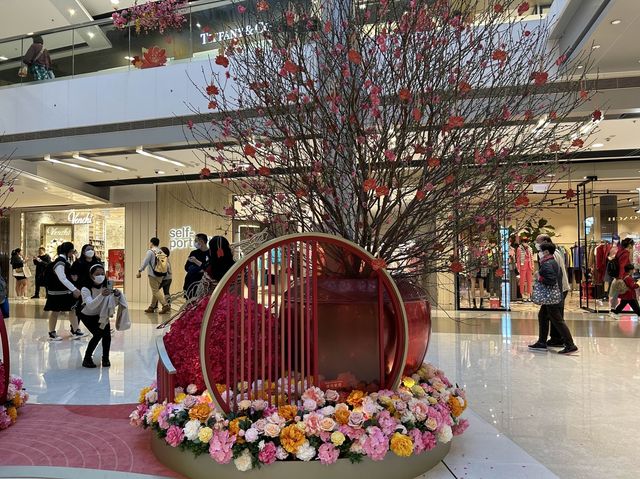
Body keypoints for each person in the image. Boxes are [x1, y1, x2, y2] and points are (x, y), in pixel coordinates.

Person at [528, 243, 578, 355]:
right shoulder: (553, 262)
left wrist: (538, 277)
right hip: (553, 296)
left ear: (546, 252)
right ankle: (541, 342)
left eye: (540, 251)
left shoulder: (547, 264)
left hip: (550, 297)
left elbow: (551, 280)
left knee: (558, 320)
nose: (539, 253)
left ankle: (570, 344)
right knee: (543, 316)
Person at [78, 264, 128, 368]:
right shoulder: (85, 288)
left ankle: (105, 358)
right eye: (97, 274)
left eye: (102, 274)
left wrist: (117, 295)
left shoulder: (106, 286)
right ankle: (87, 358)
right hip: (87, 314)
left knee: (106, 336)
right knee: (98, 334)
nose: (100, 276)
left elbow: (111, 303)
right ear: (91, 276)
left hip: (101, 314)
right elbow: (91, 305)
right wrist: (102, 295)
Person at [44, 242, 86, 341]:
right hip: (57, 293)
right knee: (55, 311)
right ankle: (52, 333)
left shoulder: (62, 261)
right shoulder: (60, 262)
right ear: (69, 251)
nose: (72, 253)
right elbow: (62, 278)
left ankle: (76, 330)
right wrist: (74, 289)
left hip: (63, 292)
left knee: (71, 310)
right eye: (72, 251)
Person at [535, 234, 571, 347]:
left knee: (555, 318)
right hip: (557, 290)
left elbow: (552, 277)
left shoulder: (552, 256)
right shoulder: (554, 254)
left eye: (538, 242)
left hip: (556, 291)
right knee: (548, 316)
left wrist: (539, 277)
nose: (536, 244)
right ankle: (554, 339)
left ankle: (566, 342)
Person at [136, 237, 170, 314]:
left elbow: (145, 262)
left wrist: (140, 270)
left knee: (155, 291)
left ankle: (165, 305)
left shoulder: (150, 252)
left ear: (151, 243)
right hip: (161, 274)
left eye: (150, 242)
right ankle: (152, 307)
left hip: (153, 274)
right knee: (156, 291)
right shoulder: (160, 251)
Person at [610, 237, 634, 312]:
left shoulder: (620, 251)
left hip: (618, 275)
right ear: (629, 245)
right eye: (632, 244)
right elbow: (623, 265)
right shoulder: (626, 253)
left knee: (616, 294)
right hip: (621, 276)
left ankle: (614, 311)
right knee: (618, 294)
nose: (632, 246)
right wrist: (622, 277)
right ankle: (613, 311)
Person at [183, 233, 210, 298]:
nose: (194, 242)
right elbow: (186, 267)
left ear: (202, 241)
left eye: (196, 240)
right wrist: (199, 269)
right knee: (189, 302)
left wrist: (196, 262)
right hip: (190, 282)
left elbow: (208, 268)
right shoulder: (194, 253)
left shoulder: (210, 253)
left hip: (203, 283)